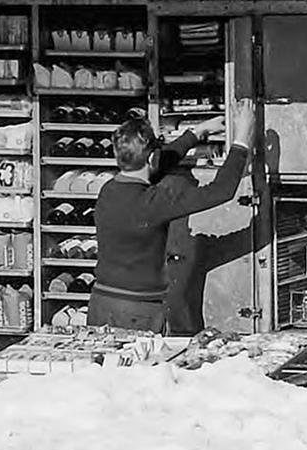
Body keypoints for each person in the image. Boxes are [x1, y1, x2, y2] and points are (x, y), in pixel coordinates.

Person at [87, 120, 250, 334]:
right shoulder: (154, 202)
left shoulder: (108, 191)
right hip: (139, 311)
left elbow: (158, 162)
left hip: (100, 304)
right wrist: (241, 141)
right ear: (153, 157)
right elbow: (221, 191)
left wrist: (197, 132)